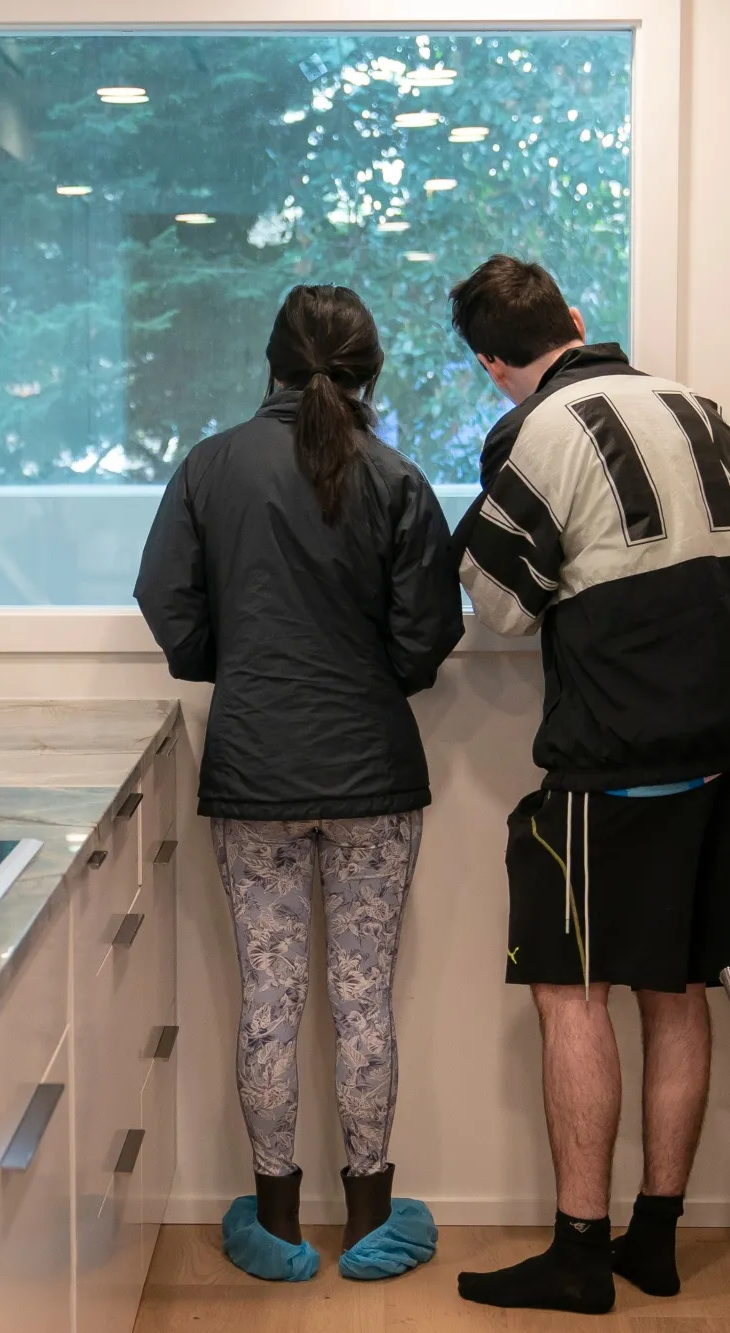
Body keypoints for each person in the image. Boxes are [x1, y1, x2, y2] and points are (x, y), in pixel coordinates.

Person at [445, 255, 730, 1314]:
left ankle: (581, 1254)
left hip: (617, 754)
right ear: (579, 320)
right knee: (675, 990)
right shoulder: (699, 405)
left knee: (569, 987)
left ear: (496, 364)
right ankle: (655, 1238)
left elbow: (496, 605)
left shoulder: (539, 430)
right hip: (729, 754)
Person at [135, 284, 463, 1283]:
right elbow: (426, 636)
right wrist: (379, 678)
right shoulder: (397, 476)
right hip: (372, 771)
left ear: (271, 365)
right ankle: (371, 1216)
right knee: (363, 999)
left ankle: (272, 1218)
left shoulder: (209, 467)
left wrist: (228, 666)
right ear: (367, 372)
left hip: (254, 770)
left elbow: (166, 600)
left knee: (267, 998)